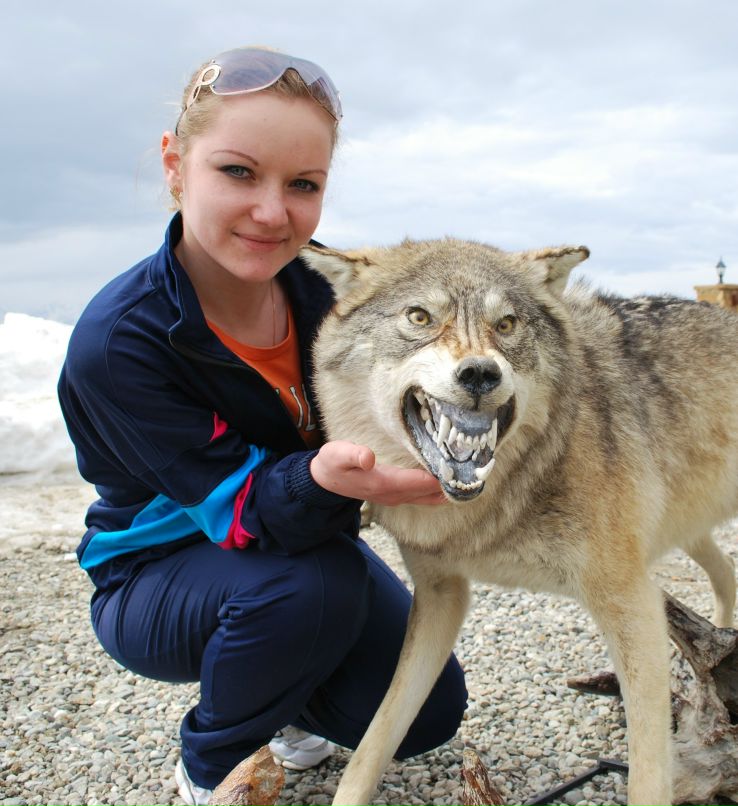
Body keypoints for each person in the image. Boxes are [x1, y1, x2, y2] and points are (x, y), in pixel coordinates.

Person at [57, 46, 467, 806]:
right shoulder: (120, 342)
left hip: (302, 542)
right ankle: (210, 766)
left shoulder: (329, 291)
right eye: (238, 172)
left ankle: (281, 699)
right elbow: (241, 509)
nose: (273, 213)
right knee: (313, 585)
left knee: (427, 711)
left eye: (303, 184)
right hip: (155, 570)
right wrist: (326, 479)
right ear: (176, 165)